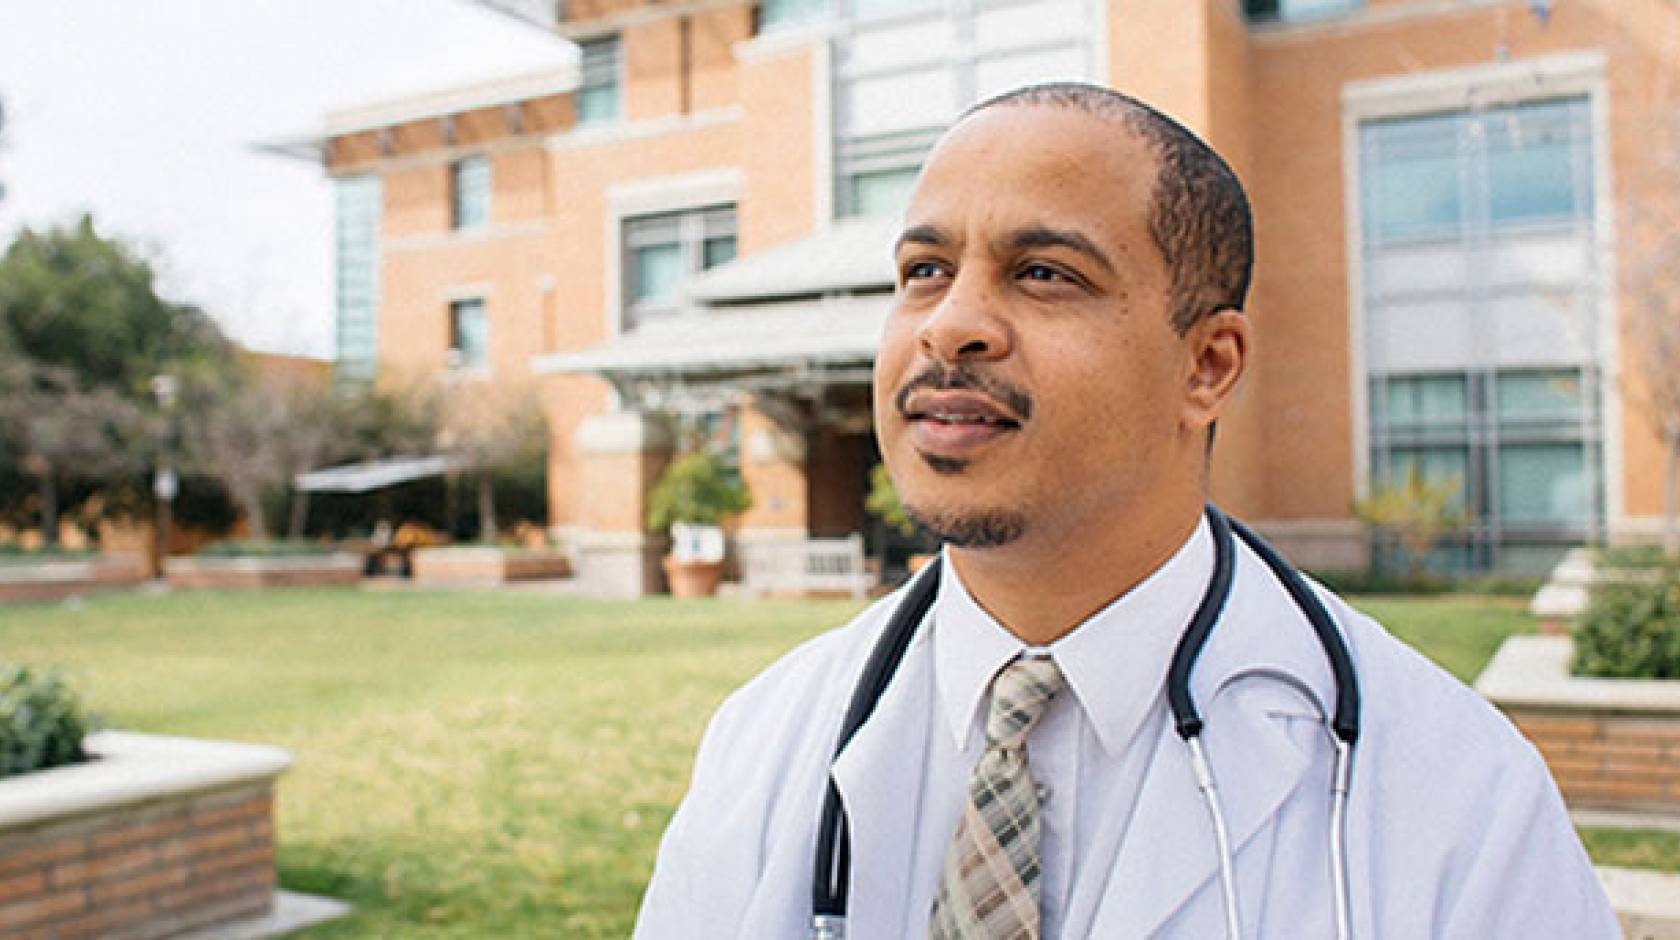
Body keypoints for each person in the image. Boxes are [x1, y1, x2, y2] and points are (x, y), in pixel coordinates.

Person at [634, 83, 1617, 939]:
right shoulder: (764, 740)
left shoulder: (1456, 795)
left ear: (1207, 365)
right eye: (924, 271)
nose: (951, 324)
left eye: (1044, 273)